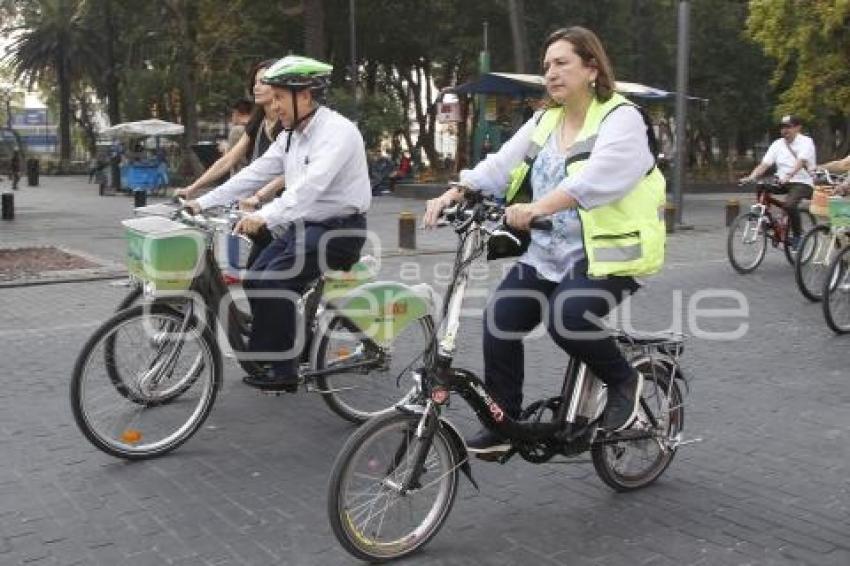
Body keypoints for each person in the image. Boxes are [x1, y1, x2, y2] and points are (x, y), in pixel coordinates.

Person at [423, 26, 666, 453]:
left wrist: (538, 207)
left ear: (592, 67)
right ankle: (504, 424)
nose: (550, 74)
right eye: (546, 66)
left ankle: (625, 379)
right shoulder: (545, 119)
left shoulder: (621, 117)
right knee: (499, 320)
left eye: (561, 63)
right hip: (549, 254)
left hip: (607, 256)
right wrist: (456, 191)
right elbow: (500, 165)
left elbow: (596, 179)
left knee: (568, 318)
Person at [186, 55, 371, 391]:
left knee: (275, 280)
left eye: (279, 98)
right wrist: (202, 202)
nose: (273, 107)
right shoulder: (292, 135)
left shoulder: (338, 133)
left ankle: (284, 372)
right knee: (255, 278)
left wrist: (262, 215)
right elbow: (253, 174)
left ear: (305, 96)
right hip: (307, 226)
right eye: (272, 99)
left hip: (339, 230)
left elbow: (307, 190)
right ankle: (275, 352)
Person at [175, 59, 285, 269]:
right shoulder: (258, 123)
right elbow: (228, 160)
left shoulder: (289, 125)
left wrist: (258, 195)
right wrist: (193, 188)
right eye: (255, 81)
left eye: (263, 82)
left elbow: (294, 170)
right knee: (256, 277)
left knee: (262, 277)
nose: (256, 86)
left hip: (287, 212)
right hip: (261, 213)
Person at [741, 114, 817, 248]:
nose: (784, 130)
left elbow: (801, 161)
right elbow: (764, 164)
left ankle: (798, 235)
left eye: (788, 127)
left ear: (798, 127)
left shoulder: (806, 142)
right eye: (782, 127)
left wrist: (789, 175)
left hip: (802, 183)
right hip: (782, 181)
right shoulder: (777, 144)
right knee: (761, 185)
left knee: (789, 205)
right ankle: (763, 216)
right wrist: (751, 176)